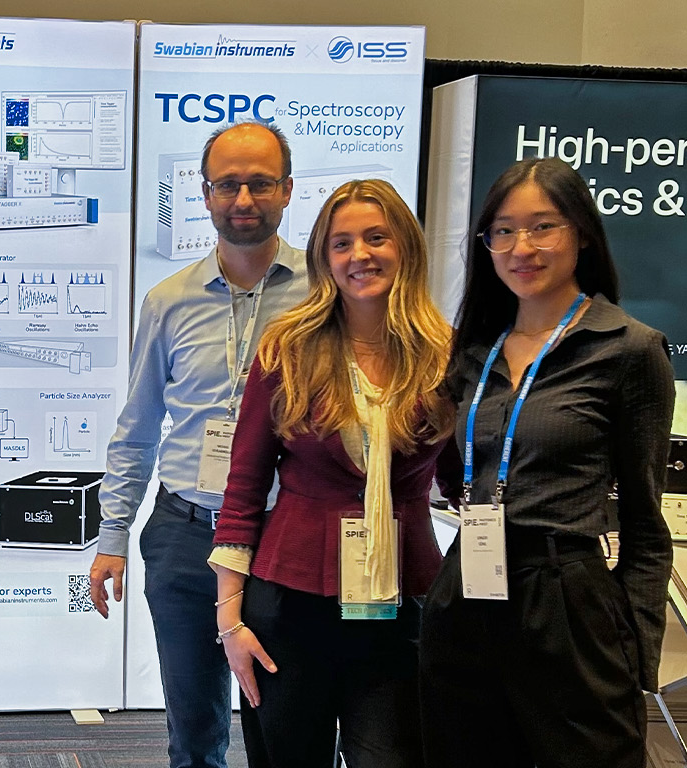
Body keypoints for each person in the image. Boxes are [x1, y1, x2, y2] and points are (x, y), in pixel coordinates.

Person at [419, 157, 674, 768]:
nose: (520, 247)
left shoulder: (628, 349)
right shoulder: (474, 350)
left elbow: (645, 521)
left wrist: (634, 648)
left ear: (582, 232)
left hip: (566, 597)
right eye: (502, 230)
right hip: (467, 589)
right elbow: (458, 477)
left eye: (543, 227)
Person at [209, 179, 458, 768]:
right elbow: (243, 489)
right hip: (291, 605)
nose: (359, 256)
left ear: (407, 248)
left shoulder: (444, 355)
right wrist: (229, 622)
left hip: (402, 600)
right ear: (323, 257)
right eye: (341, 243)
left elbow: (461, 482)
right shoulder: (287, 349)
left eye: (376, 238)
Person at [89, 121, 307, 768]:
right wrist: (112, 539)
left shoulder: (322, 297)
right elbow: (138, 425)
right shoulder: (169, 301)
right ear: (205, 194)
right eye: (228, 185)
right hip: (185, 536)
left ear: (288, 190)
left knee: (284, 721)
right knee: (194, 728)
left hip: (282, 535)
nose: (244, 199)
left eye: (260, 184)